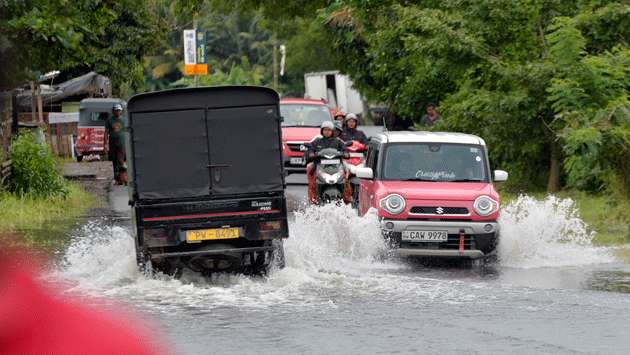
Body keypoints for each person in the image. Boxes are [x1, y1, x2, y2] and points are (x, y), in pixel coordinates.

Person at [306, 121, 348, 203]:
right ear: (322, 131)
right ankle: (313, 195)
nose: (327, 132)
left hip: (336, 165)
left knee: (347, 175)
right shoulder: (317, 141)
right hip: (320, 165)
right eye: (325, 130)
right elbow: (311, 148)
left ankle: (347, 196)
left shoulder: (337, 141)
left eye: (329, 130)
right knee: (310, 170)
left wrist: (345, 153)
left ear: (332, 131)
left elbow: (344, 149)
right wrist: (311, 153)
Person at [105, 103, 126, 184]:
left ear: (121, 111)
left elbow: (127, 131)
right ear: (113, 111)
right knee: (114, 160)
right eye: (116, 110)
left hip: (122, 144)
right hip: (112, 143)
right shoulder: (109, 120)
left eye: (119, 110)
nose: (118, 112)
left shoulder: (124, 120)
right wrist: (105, 144)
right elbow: (106, 132)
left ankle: (122, 178)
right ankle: (116, 178)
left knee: (120, 161)